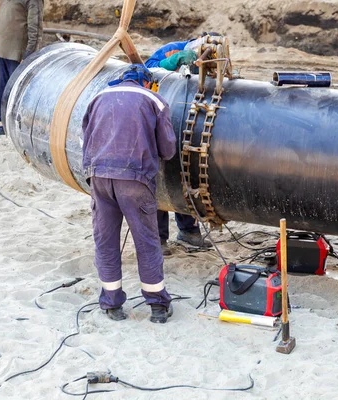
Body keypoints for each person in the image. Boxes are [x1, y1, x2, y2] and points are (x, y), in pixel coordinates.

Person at [82, 64, 177, 324]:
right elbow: (168, 149)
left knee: (106, 240)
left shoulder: (97, 97)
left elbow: (86, 137)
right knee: (146, 241)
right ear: (147, 83)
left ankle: (112, 304)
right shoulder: (154, 100)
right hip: (134, 179)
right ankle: (157, 306)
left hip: (99, 177)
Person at [145, 35, 219, 254]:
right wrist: (176, 60)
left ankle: (188, 231)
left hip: (188, 122)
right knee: (159, 179)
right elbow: (147, 70)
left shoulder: (212, 62)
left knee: (186, 177)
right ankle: (158, 238)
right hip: (161, 118)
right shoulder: (172, 50)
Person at [0, 0, 43, 138]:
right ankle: (1, 125)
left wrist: (28, 55)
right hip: (2, 51)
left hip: (18, 55)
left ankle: (18, 129)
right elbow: (1, 18)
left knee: (18, 93)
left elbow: (35, 28)